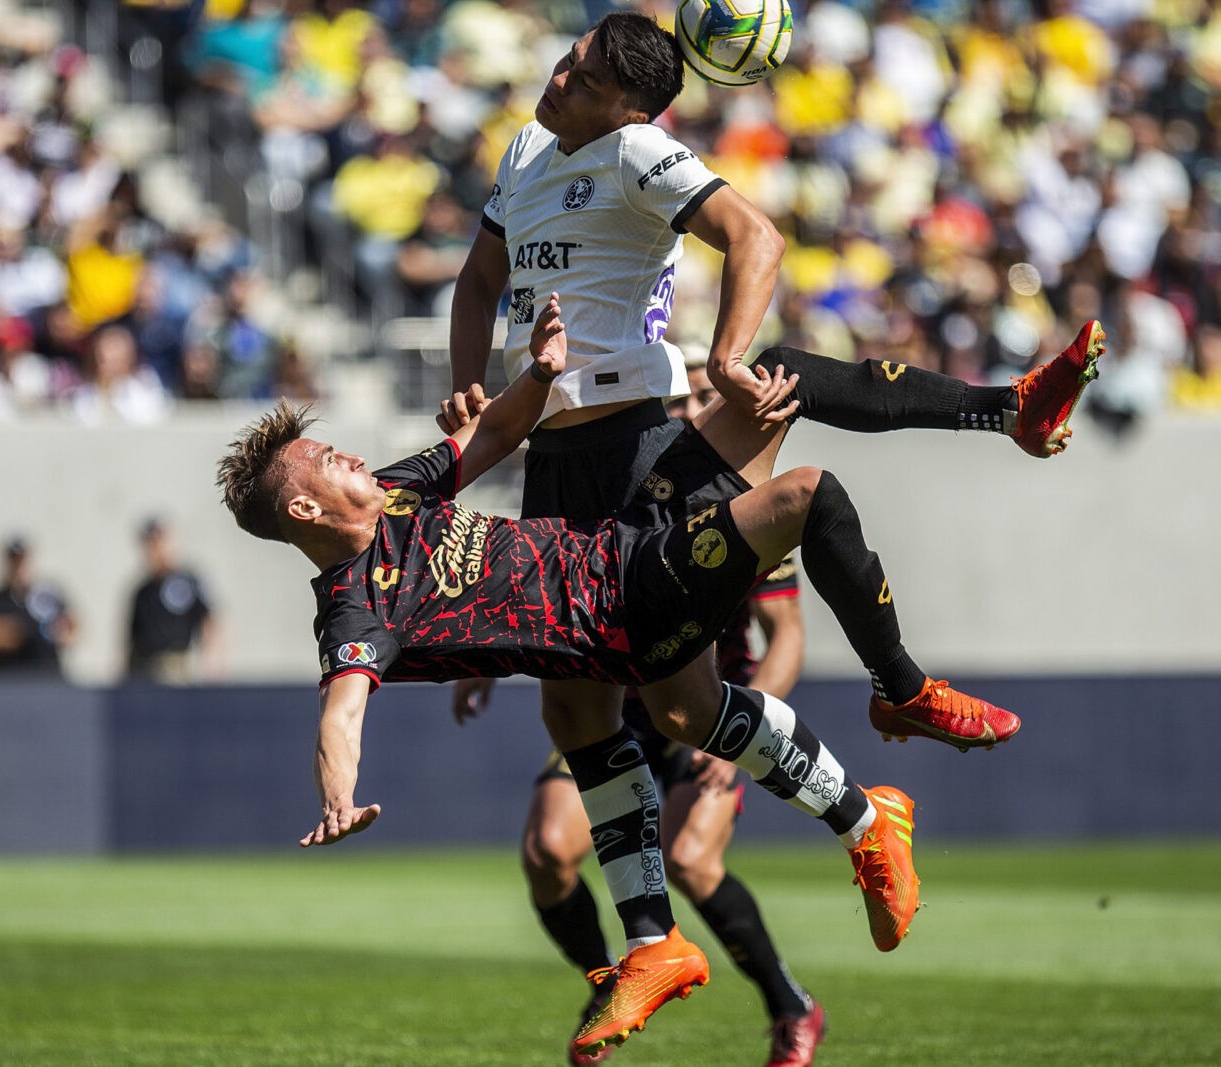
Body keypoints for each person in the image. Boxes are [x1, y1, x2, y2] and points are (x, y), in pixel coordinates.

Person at [442, 13, 1101, 1055]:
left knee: (775, 396)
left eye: (583, 73)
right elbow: (479, 280)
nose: (558, 74)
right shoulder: (525, 150)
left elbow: (757, 234)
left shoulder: (642, 151)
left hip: (635, 442)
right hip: (554, 460)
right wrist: (468, 382)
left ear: (628, 106)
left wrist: (727, 348)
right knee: (612, 703)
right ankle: (825, 836)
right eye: (564, 57)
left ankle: (999, 417)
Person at [216, 295, 1034, 1056]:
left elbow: (491, 438)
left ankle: (690, 922)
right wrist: (336, 794)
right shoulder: (357, 607)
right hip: (623, 606)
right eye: (327, 458)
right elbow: (343, 710)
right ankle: (901, 704)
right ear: (305, 510)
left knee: (777, 379)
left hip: (622, 557)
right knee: (807, 497)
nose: (348, 452)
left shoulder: (393, 493)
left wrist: (537, 374)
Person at [460, 355, 822, 1066]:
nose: (688, 407)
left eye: (703, 395)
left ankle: (792, 1007)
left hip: (699, 710)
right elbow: (549, 584)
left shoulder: (739, 501)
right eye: (678, 395)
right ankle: (611, 979)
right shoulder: (613, 481)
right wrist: (484, 658)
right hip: (611, 707)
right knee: (545, 854)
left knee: (690, 859)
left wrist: (732, 742)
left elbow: (787, 641)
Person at [126, 516, 218, 683]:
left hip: (174, 668)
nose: (154, 550)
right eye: (149, 544)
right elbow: (132, 639)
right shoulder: (143, 591)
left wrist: (211, 668)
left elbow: (209, 623)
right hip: (143, 668)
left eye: (158, 542)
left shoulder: (188, 581)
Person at [0, 536, 76, 680]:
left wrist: (52, 633)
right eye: (13, 561)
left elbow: (70, 630)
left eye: (21, 560)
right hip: (3, 679)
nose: (18, 566)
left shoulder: (48, 596)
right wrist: (27, 632)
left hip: (46, 678)